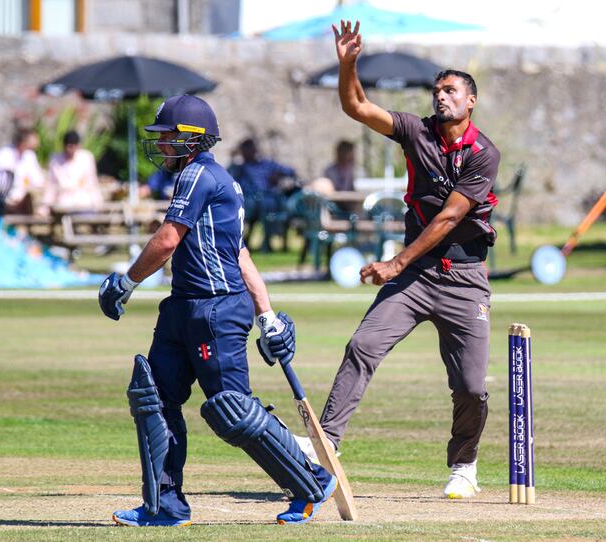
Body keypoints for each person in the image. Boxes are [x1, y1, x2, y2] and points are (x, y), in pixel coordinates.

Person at [98, 94, 336, 527]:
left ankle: (311, 481)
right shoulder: (205, 177)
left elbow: (169, 238)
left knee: (232, 410)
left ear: (191, 139)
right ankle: (165, 506)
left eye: (168, 136)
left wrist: (126, 282)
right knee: (155, 399)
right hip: (182, 307)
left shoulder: (200, 175)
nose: (162, 144)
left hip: (216, 309)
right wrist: (265, 313)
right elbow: (239, 251)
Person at [303, 20, 500, 500]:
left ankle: (464, 465)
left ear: (470, 100)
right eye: (436, 91)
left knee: (471, 388)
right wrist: (348, 63)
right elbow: (356, 106)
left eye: (451, 91)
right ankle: (325, 442)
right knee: (362, 346)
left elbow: (452, 217)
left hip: (465, 277)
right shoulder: (417, 131)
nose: (441, 97)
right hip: (416, 276)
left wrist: (394, 261)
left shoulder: (483, 153)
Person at [228, 137, 296, 252]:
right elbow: (228, 178)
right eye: (245, 150)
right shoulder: (240, 168)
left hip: (268, 199)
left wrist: (278, 176)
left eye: (251, 149)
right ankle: (248, 243)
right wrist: (234, 158)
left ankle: (267, 242)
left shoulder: (266, 164)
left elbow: (290, 171)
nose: (248, 153)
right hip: (248, 201)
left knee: (268, 204)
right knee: (253, 206)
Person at [39, 130, 103, 215]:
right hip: (63, 203)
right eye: (69, 146)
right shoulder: (55, 160)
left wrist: (98, 203)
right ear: (64, 146)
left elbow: (92, 182)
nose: (71, 150)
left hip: (84, 201)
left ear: (78, 146)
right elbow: (51, 185)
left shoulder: (86, 158)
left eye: (74, 146)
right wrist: (45, 206)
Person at [0, 127, 44, 215]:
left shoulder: (30, 156)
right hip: (2, 199)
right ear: (23, 141)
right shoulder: (4, 155)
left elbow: (38, 180)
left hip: (22, 198)